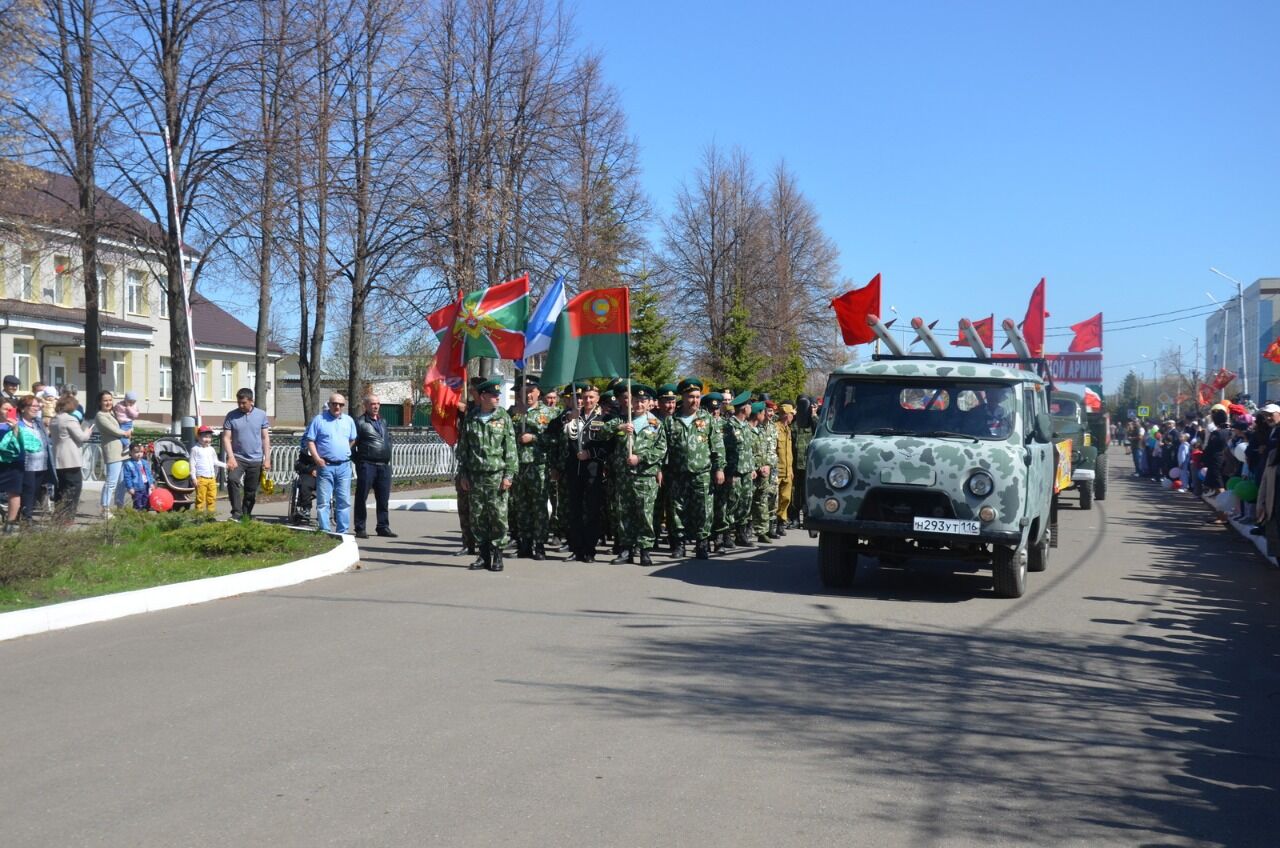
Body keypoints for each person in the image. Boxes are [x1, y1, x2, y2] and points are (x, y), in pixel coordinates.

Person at [456, 377, 517, 571]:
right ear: (483, 396)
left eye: (498, 395)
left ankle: (497, 555)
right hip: (475, 476)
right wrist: (463, 474)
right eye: (493, 395)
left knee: (498, 517)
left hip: (496, 475)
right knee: (478, 517)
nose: (497, 398)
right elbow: (463, 449)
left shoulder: (503, 418)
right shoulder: (471, 418)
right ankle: (483, 556)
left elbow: (511, 448)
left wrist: (509, 475)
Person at [662, 378, 725, 560]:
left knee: (704, 510)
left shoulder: (707, 419)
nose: (695, 400)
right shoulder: (671, 421)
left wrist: (719, 469)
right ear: (683, 396)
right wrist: (662, 470)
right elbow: (663, 448)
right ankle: (679, 544)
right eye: (691, 397)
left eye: (697, 397)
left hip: (702, 473)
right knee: (677, 510)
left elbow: (717, 447)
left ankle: (701, 544)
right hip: (677, 473)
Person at [608, 383, 667, 565]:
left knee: (645, 514)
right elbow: (602, 433)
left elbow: (661, 449)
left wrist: (640, 458)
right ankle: (626, 549)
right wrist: (619, 428)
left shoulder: (656, 424)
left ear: (649, 403)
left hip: (644, 476)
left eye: (643, 401)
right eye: (636, 400)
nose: (639, 404)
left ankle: (645, 549)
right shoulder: (621, 420)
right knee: (624, 512)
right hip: (624, 475)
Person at [560, 382, 610, 562]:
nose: (587, 400)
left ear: (597, 399)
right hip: (574, 470)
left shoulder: (604, 418)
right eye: (585, 397)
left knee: (592, 511)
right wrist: (568, 419)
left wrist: (591, 453)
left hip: (593, 471)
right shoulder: (573, 416)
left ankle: (590, 549)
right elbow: (558, 435)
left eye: (591, 397)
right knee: (575, 511)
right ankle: (577, 548)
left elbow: (608, 447)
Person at [511, 375, 553, 559]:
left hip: (539, 466)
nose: (528, 396)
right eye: (524, 392)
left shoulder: (550, 413)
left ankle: (540, 544)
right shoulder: (513, 412)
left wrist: (534, 437)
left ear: (538, 392)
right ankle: (524, 544)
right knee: (521, 507)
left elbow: (555, 439)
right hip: (519, 466)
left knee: (539, 508)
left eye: (531, 392)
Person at [305, 393, 357, 534]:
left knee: (344, 500)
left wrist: (343, 451)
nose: (337, 407)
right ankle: (325, 529)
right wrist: (317, 458)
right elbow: (310, 440)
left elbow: (352, 439)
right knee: (323, 501)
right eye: (334, 404)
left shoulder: (348, 421)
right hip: (325, 466)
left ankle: (342, 531)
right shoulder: (319, 420)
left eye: (340, 404)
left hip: (344, 466)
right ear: (329, 404)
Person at [222, 387, 272, 522]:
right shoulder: (231, 415)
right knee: (232, 479)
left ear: (252, 401)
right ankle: (236, 513)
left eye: (243, 403)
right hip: (238, 457)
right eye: (239, 402)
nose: (241, 405)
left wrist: (267, 458)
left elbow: (264, 437)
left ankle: (245, 515)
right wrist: (231, 457)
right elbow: (226, 438)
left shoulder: (261, 415)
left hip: (256, 459)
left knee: (250, 490)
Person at [352, 393, 395, 540]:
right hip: (367, 464)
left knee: (383, 498)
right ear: (366, 406)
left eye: (377, 403)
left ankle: (383, 526)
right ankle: (360, 527)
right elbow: (351, 446)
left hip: (383, 465)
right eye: (372, 404)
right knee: (361, 497)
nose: (375, 406)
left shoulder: (383, 421)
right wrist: (359, 461)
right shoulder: (360, 422)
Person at [48, 394, 93, 525]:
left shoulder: (54, 419)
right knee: (74, 488)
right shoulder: (70, 420)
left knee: (60, 488)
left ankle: (58, 515)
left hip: (58, 458)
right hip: (71, 459)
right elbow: (82, 438)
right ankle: (68, 516)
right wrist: (87, 431)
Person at [721, 392, 758, 548]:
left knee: (745, 503)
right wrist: (728, 472)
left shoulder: (746, 426)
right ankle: (726, 535)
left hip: (746, 471)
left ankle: (741, 534)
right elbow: (724, 451)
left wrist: (752, 468)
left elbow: (748, 449)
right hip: (734, 472)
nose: (751, 409)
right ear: (744, 408)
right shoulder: (729, 426)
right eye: (749, 405)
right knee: (731, 503)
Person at [15, 395, 54, 522]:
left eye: (38, 406)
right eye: (33, 406)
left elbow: (46, 440)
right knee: (28, 491)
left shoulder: (38, 422)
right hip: (26, 464)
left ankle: (23, 515)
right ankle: (27, 518)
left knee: (36, 491)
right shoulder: (18, 423)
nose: (36, 409)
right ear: (23, 408)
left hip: (41, 463)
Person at [0, 398, 36, 532]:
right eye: (5, 409)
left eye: (11, 410)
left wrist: (14, 427)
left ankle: (10, 523)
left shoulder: (19, 424)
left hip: (15, 463)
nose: (8, 412)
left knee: (14, 492)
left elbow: (25, 443)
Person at [94, 390, 129, 518]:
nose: (108, 402)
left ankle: (119, 506)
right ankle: (105, 508)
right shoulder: (100, 416)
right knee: (111, 482)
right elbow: (113, 430)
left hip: (122, 451)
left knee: (122, 482)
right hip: (112, 452)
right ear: (100, 402)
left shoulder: (112, 413)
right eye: (105, 400)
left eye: (110, 400)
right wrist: (125, 433)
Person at [790, 396, 815, 527]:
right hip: (794, 464)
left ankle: (807, 518)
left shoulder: (812, 422)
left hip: (808, 464)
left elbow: (819, 429)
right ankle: (794, 518)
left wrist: (814, 414)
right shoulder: (794, 422)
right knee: (795, 493)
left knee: (807, 493)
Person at [191, 425, 225, 515]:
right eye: (205, 437)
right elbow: (192, 465)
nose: (208, 439)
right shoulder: (195, 449)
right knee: (200, 499)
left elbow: (215, 461)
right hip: (201, 478)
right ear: (198, 437)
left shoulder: (211, 449)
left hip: (211, 478)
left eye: (209, 437)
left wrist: (226, 465)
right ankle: (199, 517)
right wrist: (194, 478)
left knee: (212, 498)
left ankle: (210, 516)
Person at [774, 403, 795, 538]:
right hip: (777, 470)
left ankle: (781, 523)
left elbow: (789, 452)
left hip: (787, 471)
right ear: (786, 414)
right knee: (774, 500)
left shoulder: (788, 429)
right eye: (791, 414)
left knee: (786, 498)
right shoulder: (775, 429)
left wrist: (791, 469)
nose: (793, 416)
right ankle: (771, 525)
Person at [121, 442, 153, 511]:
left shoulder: (144, 462)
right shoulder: (128, 464)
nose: (139, 454)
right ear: (131, 452)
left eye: (141, 452)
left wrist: (151, 483)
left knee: (146, 502)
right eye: (136, 452)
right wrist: (130, 487)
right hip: (136, 487)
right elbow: (127, 477)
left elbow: (149, 473)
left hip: (146, 485)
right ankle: (137, 517)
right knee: (138, 504)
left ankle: (144, 516)